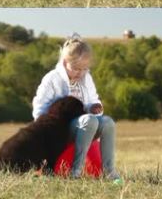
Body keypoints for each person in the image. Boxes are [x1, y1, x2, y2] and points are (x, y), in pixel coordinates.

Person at [32, 34, 122, 183]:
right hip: (60, 130)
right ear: (64, 62)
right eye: (75, 68)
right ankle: (76, 171)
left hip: (86, 127)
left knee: (108, 122)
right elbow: (39, 107)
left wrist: (94, 107)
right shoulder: (52, 79)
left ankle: (109, 171)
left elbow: (93, 99)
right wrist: (43, 134)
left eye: (84, 69)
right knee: (89, 120)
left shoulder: (86, 78)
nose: (80, 73)